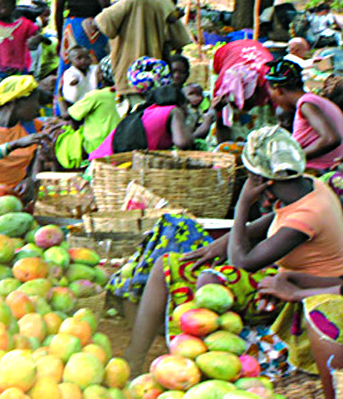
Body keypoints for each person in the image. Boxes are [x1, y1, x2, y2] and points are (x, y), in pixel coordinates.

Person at [123, 126, 343, 375]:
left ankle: (206, 364)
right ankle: (134, 357)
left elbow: (242, 262)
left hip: (302, 291)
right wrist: (221, 243)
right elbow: (268, 222)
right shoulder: (308, 186)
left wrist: (242, 205)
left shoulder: (307, 215)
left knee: (211, 282)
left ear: (260, 179)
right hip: (289, 276)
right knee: (166, 265)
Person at [83, 0, 191, 114]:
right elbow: (180, 41)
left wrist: (89, 22)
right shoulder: (164, 2)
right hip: (157, 84)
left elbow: (100, 24)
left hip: (129, 81)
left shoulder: (130, 0)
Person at [88, 57, 193, 158]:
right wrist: (195, 121)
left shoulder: (147, 110)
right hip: (106, 162)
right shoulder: (173, 111)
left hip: (103, 158)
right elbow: (183, 143)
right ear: (182, 103)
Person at [266, 58, 343, 173]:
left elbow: (331, 139)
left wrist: (293, 158)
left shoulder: (307, 104)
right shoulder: (316, 101)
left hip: (319, 170)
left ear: (278, 91)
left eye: (270, 93)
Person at [52, 56, 120, 169]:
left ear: (101, 76)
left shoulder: (96, 96)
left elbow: (67, 115)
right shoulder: (121, 94)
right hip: (117, 142)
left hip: (96, 145)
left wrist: (59, 95)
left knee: (57, 135)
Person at [59, 45, 97, 113]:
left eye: (87, 58)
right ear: (71, 61)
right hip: (74, 102)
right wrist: (73, 81)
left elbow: (97, 68)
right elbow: (71, 79)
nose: (83, 60)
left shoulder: (91, 69)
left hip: (88, 101)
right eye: (79, 58)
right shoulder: (70, 72)